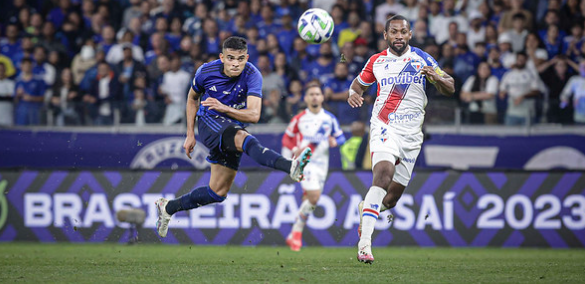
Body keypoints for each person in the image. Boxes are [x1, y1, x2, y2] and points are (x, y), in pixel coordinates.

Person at [154, 37, 312, 238]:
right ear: (222, 57)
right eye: (230, 58)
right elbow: (192, 98)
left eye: (239, 58)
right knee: (244, 139)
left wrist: (224, 107)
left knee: (217, 192)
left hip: (232, 125)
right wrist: (190, 134)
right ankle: (290, 167)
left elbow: (254, 115)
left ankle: (168, 207)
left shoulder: (253, 74)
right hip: (209, 122)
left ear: (246, 58)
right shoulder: (205, 71)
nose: (235, 63)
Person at [347, 15, 455, 264]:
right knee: (382, 175)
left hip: (412, 135)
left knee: (391, 199)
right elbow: (358, 84)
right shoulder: (376, 61)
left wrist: (436, 78)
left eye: (402, 32)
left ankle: (367, 209)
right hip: (385, 127)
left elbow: (450, 86)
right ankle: (365, 245)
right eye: (393, 32)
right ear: (385, 35)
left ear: (409, 35)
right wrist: (353, 93)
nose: (398, 36)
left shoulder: (422, 58)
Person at [282, 83, 345, 251]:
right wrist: (295, 150)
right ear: (306, 98)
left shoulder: (329, 119)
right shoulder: (300, 118)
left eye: (318, 94)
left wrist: (334, 141)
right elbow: (286, 139)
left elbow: (341, 138)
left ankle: (294, 233)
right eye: (311, 94)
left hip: (322, 165)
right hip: (305, 163)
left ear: (322, 97)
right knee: (315, 197)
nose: (315, 97)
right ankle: (296, 234)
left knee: (310, 201)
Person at [560, 59, 585, 124]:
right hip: (577, 115)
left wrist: (581, 98)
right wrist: (564, 99)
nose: (584, 69)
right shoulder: (574, 79)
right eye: (582, 67)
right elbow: (565, 93)